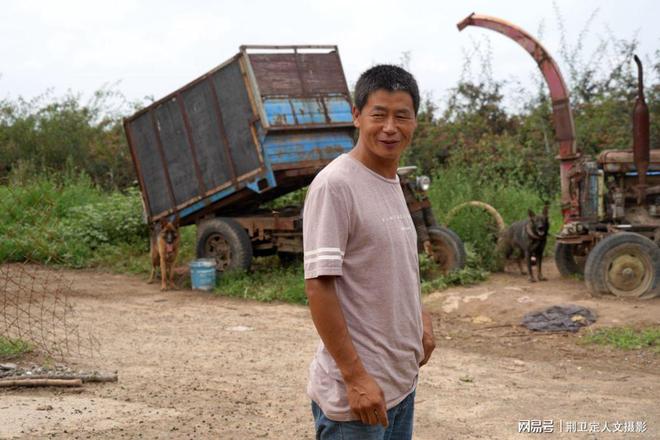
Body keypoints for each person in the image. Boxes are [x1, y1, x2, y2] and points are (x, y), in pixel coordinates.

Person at [302, 64, 436, 440]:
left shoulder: (392, 181)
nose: (390, 127)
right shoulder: (336, 185)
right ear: (357, 116)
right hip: (356, 401)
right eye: (379, 114)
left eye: (402, 116)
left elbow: (397, 267)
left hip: (400, 385)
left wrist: (420, 318)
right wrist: (356, 377)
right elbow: (319, 288)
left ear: (414, 122)